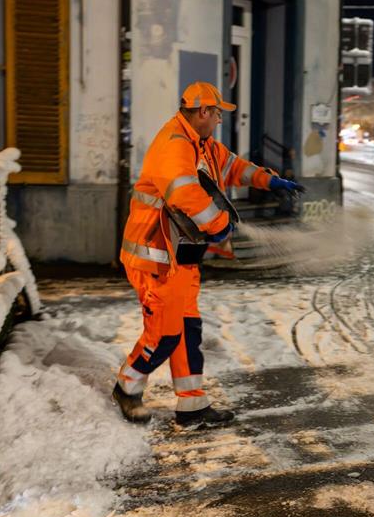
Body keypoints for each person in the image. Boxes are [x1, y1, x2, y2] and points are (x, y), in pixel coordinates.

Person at [113, 81, 304, 427]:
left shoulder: (201, 144)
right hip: (156, 257)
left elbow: (234, 167)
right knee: (165, 334)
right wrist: (217, 223)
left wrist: (269, 180)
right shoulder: (174, 144)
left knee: (187, 330)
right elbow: (184, 192)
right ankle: (126, 386)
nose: (219, 119)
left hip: (181, 257)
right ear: (202, 111)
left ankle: (192, 407)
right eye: (216, 113)